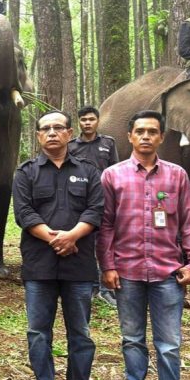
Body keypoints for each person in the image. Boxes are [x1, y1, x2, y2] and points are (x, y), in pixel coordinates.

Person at [97, 110, 190, 380]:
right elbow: (105, 226)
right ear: (129, 137)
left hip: (167, 273)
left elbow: (189, 221)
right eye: (140, 131)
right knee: (132, 338)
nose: (145, 136)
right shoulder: (112, 176)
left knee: (169, 343)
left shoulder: (176, 176)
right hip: (126, 271)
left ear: (161, 137)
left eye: (152, 132)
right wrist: (108, 265)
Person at [13, 111, 106, 380]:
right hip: (39, 266)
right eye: (45, 129)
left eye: (58, 128)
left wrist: (73, 235)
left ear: (69, 133)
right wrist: (54, 238)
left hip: (78, 265)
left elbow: (95, 210)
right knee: (38, 331)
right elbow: (24, 214)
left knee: (80, 331)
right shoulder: (26, 172)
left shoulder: (89, 171)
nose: (51, 133)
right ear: (38, 135)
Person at [67, 105, 119, 307]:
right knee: (83, 242)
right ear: (78, 122)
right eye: (83, 120)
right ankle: (90, 286)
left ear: (98, 121)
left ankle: (106, 289)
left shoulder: (108, 143)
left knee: (105, 242)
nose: (87, 123)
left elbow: (115, 170)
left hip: (104, 199)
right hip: (80, 201)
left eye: (91, 119)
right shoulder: (71, 146)